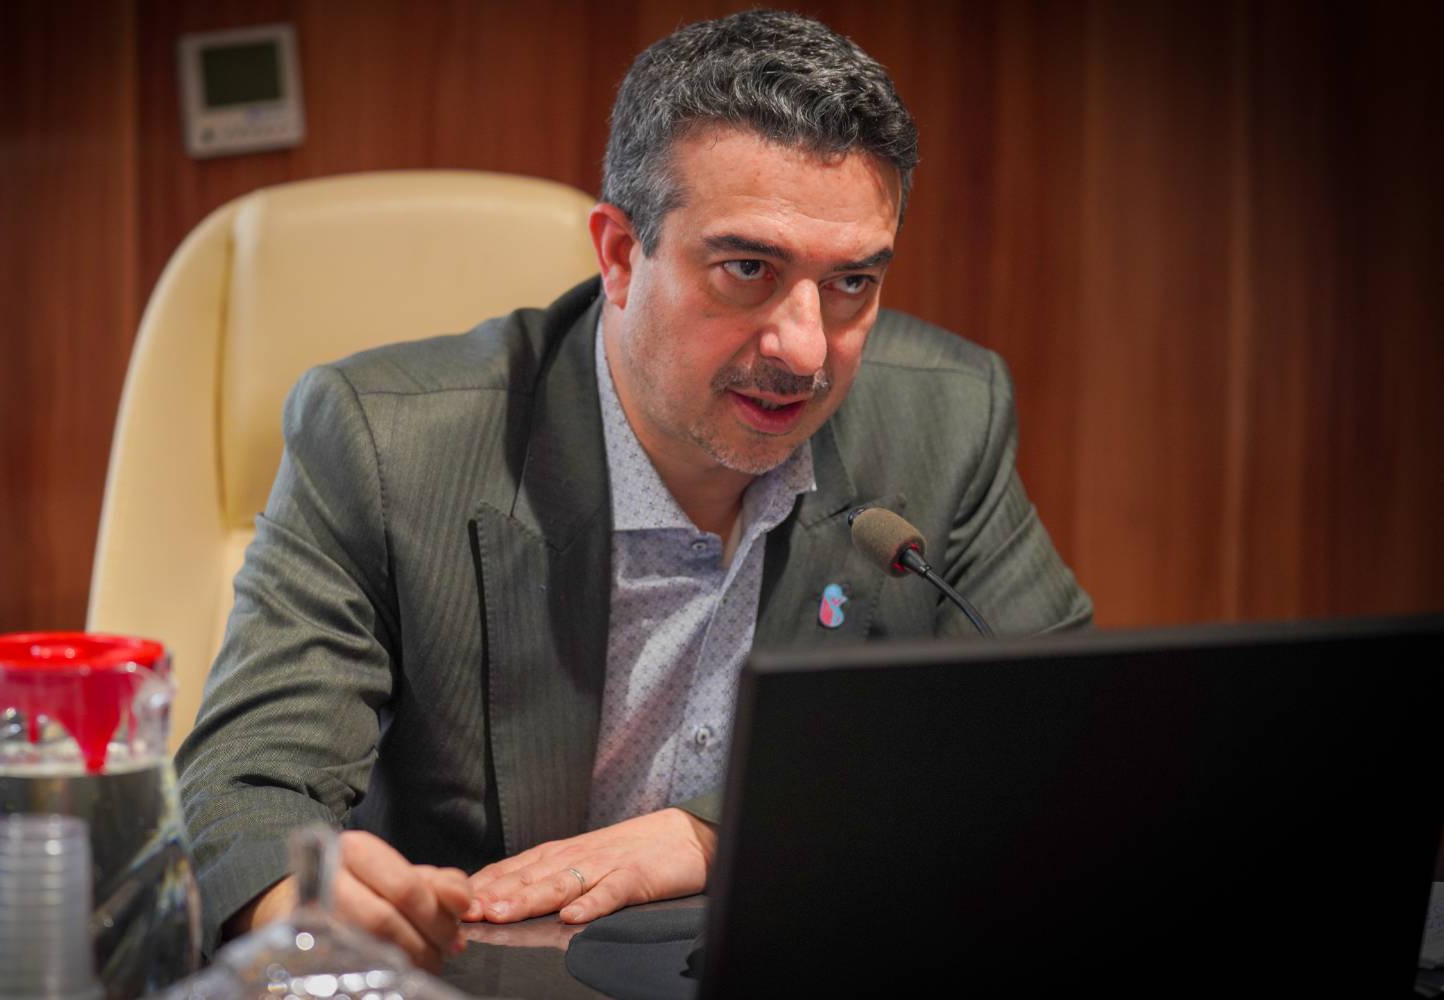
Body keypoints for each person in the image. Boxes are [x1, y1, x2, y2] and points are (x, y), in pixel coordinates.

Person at [176, 9, 1092, 972]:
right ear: (619, 254)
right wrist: (303, 902)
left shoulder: (946, 417)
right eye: (748, 269)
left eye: (852, 283)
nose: (805, 349)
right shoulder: (385, 443)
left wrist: (713, 831)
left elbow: (1061, 737)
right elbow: (242, 793)